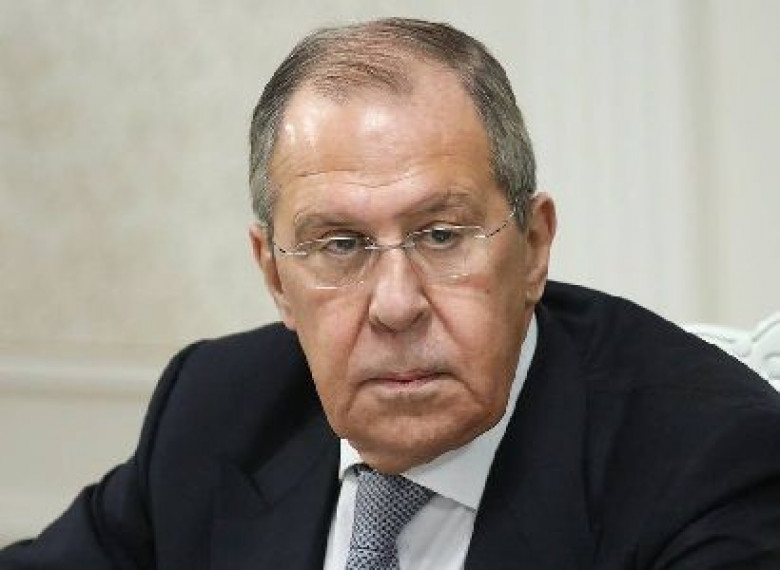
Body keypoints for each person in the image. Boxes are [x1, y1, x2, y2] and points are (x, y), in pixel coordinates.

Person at [2, 17, 780, 570]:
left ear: (534, 246)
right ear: (274, 275)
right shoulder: (215, 409)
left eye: (441, 235)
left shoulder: (708, 462)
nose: (397, 304)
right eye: (340, 245)